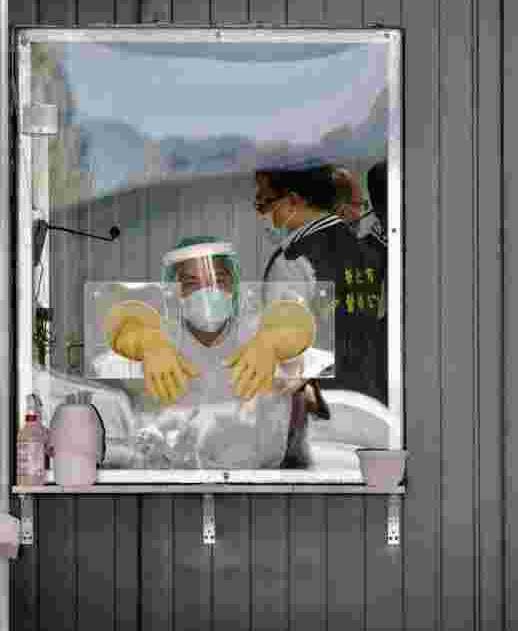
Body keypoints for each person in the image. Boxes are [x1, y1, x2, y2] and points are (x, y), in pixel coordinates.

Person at [100, 236, 316, 469]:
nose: (207, 293)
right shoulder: (159, 340)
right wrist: (147, 342)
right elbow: (118, 326)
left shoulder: (256, 334)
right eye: (192, 283)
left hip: (252, 482)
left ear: (234, 286)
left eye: (219, 281)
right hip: (172, 480)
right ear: (172, 290)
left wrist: (271, 342)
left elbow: (297, 326)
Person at [254, 162, 388, 466]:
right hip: (369, 410)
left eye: (264, 202)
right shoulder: (368, 252)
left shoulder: (293, 260)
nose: (263, 215)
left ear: (292, 202)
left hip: (320, 426)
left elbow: (287, 361)